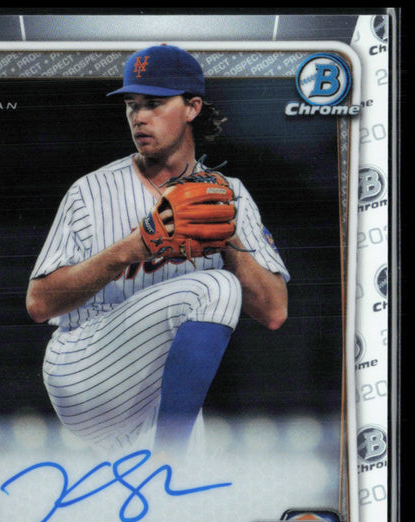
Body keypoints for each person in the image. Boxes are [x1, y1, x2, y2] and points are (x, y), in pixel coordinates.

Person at [26, 44, 289, 459]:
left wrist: (231, 242)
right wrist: (131, 249)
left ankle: (165, 469)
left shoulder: (230, 194)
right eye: (132, 105)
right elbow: (39, 304)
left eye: (154, 103)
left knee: (180, 488)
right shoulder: (91, 191)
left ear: (192, 108)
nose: (139, 117)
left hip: (158, 388)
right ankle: (168, 458)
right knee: (215, 288)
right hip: (84, 366)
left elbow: (274, 312)